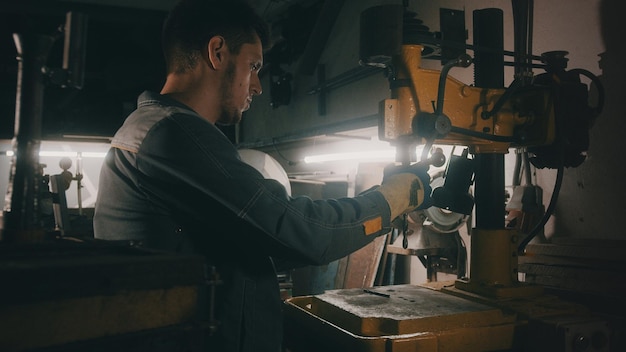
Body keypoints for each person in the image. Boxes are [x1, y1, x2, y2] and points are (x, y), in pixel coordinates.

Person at [93, 0, 432, 351]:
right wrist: (392, 199)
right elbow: (305, 232)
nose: (256, 86)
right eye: (253, 66)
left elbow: (259, 240)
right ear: (217, 52)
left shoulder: (151, 130)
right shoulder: (174, 135)